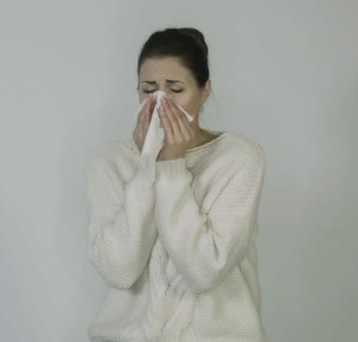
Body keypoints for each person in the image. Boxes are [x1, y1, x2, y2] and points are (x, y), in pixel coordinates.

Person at [85, 27, 268, 341]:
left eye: (175, 89)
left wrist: (171, 168)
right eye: (149, 89)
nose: (160, 103)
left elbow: (204, 270)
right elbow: (120, 270)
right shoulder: (109, 161)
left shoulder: (238, 158)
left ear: (204, 90)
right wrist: (147, 168)